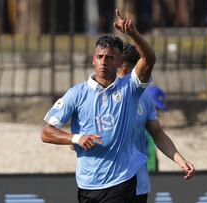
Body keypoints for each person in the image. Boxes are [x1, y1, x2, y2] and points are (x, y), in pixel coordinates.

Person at [41, 9, 156, 202]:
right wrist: (77, 139)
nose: (103, 62)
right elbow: (46, 133)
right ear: (93, 60)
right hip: (87, 183)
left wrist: (133, 33)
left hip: (122, 181)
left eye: (110, 58)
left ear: (120, 62)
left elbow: (149, 59)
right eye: (100, 57)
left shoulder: (130, 88)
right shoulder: (77, 94)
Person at [118, 44, 195, 203]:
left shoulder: (144, 98)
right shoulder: (97, 96)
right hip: (106, 186)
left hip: (137, 186)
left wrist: (180, 160)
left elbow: (158, 134)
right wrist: (77, 140)